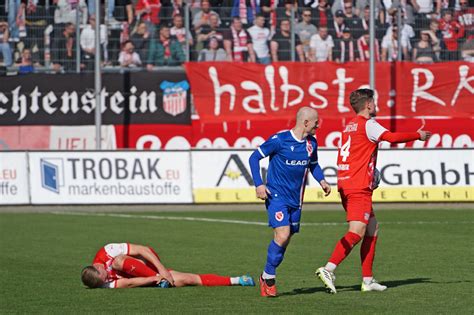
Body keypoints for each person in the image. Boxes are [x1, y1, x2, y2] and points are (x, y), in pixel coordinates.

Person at [315, 88, 431, 294]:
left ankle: (367, 280)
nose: (376, 106)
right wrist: (418, 135)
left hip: (348, 183)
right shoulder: (368, 123)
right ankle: (328, 269)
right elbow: (391, 137)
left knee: (372, 229)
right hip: (358, 187)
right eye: (374, 103)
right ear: (368, 105)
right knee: (356, 232)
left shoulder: (349, 126)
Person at [248, 107, 332, 297]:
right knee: (283, 233)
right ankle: (269, 278)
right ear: (306, 123)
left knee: (286, 239)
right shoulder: (280, 140)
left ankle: (266, 273)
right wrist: (259, 185)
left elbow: (313, 164)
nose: (318, 125)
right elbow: (254, 158)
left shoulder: (312, 144)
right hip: (276, 196)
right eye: (316, 122)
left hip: (297, 201)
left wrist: (322, 180)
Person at [81, 242, 256, 289]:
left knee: (119, 262)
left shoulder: (108, 251)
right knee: (187, 279)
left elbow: (143, 250)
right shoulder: (100, 283)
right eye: (104, 281)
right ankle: (238, 280)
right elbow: (128, 284)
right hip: (145, 277)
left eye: (104, 277)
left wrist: (161, 270)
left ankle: (163, 279)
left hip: (147, 262)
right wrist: (153, 279)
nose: (106, 280)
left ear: (98, 268)